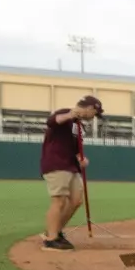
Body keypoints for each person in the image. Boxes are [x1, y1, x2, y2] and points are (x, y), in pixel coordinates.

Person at [38, 95, 102, 249]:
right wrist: (70, 114)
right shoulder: (65, 114)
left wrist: (81, 158)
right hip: (56, 163)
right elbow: (52, 121)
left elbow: (75, 149)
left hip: (71, 166)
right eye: (95, 113)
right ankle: (51, 239)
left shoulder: (79, 126)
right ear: (90, 108)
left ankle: (55, 230)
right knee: (59, 200)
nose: (94, 117)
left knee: (76, 200)